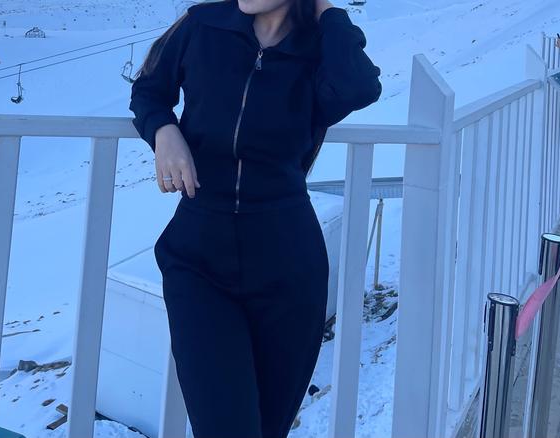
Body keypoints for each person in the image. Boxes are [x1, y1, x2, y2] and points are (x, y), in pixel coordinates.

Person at [128, 0, 382, 437]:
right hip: (199, 260)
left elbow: (358, 87)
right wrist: (163, 131)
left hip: (290, 268)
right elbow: (148, 89)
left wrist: (327, 12)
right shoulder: (202, 25)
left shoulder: (321, 46)